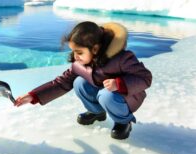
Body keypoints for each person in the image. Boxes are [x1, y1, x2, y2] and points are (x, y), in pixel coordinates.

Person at [14, 21, 152, 140]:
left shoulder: (122, 58)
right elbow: (61, 83)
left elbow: (145, 78)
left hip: (127, 97)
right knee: (79, 82)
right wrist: (33, 96)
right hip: (103, 93)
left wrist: (119, 84)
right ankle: (97, 112)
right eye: (73, 51)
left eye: (79, 52)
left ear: (95, 49)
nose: (75, 56)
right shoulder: (79, 64)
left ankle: (123, 122)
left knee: (106, 95)